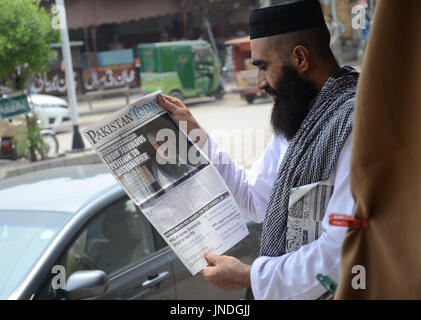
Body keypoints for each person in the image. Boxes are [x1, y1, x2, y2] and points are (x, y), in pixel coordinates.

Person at [158, 0, 358, 300]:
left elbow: (341, 252)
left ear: (300, 58)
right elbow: (255, 199)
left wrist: (250, 276)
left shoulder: (356, 124)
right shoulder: (300, 116)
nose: (259, 83)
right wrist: (196, 135)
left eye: (263, 67)